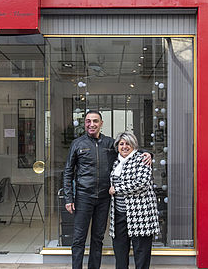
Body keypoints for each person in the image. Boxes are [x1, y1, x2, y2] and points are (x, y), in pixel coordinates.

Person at [63, 110, 152, 269]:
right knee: (79, 238)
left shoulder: (110, 143)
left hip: (104, 198)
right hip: (83, 197)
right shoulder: (77, 144)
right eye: (88, 121)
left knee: (98, 238)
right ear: (85, 123)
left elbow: (130, 149)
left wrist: (148, 153)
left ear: (101, 124)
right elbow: (68, 172)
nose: (92, 124)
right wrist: (69, 198)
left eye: (95, 121)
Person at [109, 131, 160, 269]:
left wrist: (117, 189)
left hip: (140, 215)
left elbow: (141, 183)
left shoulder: (142, 159)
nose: (124, 147)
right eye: (121, 144)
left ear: (134, 146)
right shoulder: (116, 162)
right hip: (119, 215)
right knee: (120, 252)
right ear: (117, 146)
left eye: (128, 144)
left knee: (141, 253)